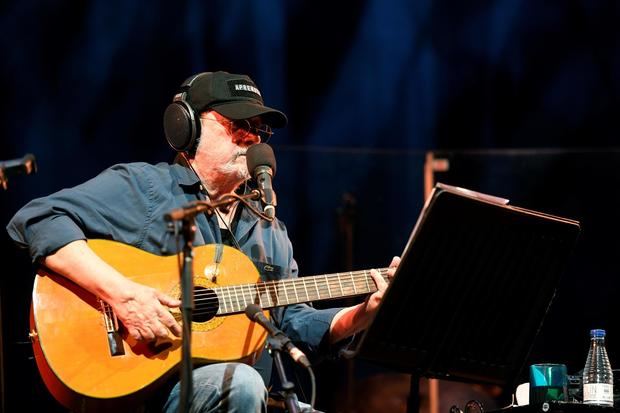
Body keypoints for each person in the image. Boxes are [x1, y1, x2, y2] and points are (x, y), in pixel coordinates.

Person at [6, 71, 400, 412]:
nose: (251, 138)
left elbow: (292, 323)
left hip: (249, 398)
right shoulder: (147, 188)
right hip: (150, 390)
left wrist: (364, 312)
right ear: (186, 127)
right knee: (240, 384)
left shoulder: (270, 230)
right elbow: (36, 220)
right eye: (236, 124)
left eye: (259, 130)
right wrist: (124, 296)